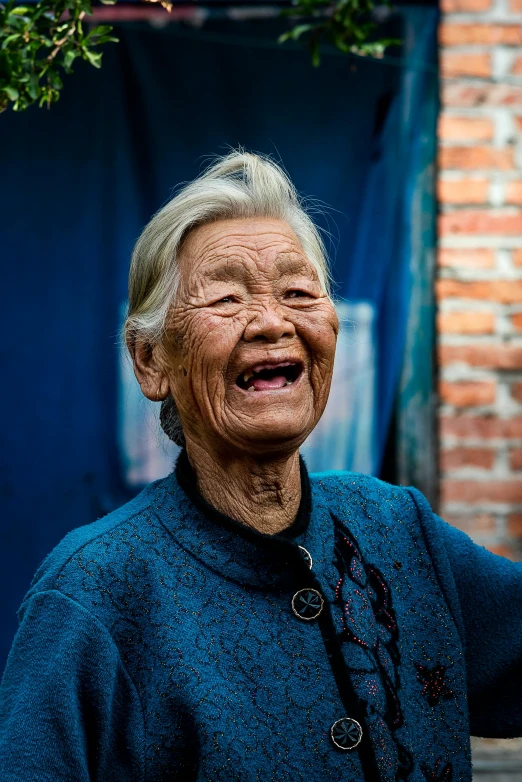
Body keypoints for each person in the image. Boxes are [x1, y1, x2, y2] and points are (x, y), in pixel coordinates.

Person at [0, 151, 521, 782]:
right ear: (150, 361)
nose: (274, 322)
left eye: (299, 292)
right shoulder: (93, 595)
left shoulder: (399, 530)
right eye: (225, 297)